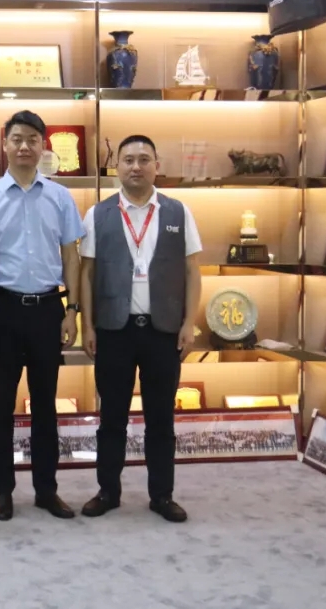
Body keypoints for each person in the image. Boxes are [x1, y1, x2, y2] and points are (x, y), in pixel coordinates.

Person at [0, 110, 84, 522]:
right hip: (2, 311)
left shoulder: (60, 197)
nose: (24, 146)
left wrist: (72, 310)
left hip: (48, 310)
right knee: (0, 406)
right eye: (16, 139)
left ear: (43, 146)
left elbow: (71, 256)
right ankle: (2, 491)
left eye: (32, 139)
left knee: (45, 406)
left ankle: (46, 490)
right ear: (4, 144)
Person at [79, 134, 202, 523]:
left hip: (163, 330)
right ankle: (108, 491)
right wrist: (87, 325)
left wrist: (189, 322)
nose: (136, 166)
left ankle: (162, 496)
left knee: (161, 419)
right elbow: (87, 273)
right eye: (128, 160)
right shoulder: (97, 214)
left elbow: (192, 270)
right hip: (114, 330)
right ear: (117, 166)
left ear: (156, 165)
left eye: (144, 159)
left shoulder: (178, 212)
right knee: (111, 418)